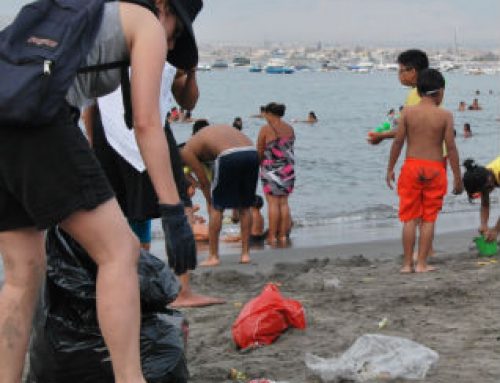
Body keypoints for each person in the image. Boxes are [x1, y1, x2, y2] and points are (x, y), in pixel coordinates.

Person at [0, 1, 202, 381]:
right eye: (176, 32)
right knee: (119, 252)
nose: (171, 43)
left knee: (21, 273)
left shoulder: (83, 15)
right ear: (163, 6)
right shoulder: (146, 22)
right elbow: (146, 123)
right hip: (40, 120)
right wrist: (173, 210)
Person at [386, 69, 462, 274]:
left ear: (419, 92)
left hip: (411, 167)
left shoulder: (408, 113)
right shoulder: (445, 115)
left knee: (409, 218)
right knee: (428, 219)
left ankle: (406, 264)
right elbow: (451, 147)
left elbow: (398, 142)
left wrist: (390, 168)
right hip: (435, 169)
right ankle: (421, 263)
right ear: (440, 92)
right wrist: (457, 176)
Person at [181, 124, 259, 266]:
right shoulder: (208, 134)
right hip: (252, 152)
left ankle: (213, 256)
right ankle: (245, 254)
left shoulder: (186, 151)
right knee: (245, 206)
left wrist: (210, 202)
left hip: (229, 155)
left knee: (218, 208)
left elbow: (203, 181)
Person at [367, 49, 430, 145]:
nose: (399, 74)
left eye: (401, 70)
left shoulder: (415, 93)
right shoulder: (430, 89)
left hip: (424, 154)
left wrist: (381, 136)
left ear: (413, 72)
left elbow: (408, 128)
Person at [257, 102, 295, 245]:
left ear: (269, 114)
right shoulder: (290, 128)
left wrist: (257, 167)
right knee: (284, 203)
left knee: (272, 203)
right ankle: (283, 236)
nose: (264, 116)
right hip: (288, 169)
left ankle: (272, 236)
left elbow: (259, 152)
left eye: (265, 114)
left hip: (271, 170)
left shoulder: (265, 129)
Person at [463, 158, 500, 240]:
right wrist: (484, 224)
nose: (484, 193)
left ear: (489, 180)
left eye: (482, 191)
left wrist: (496, 230)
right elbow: (485, 204)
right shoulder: (482, 175)